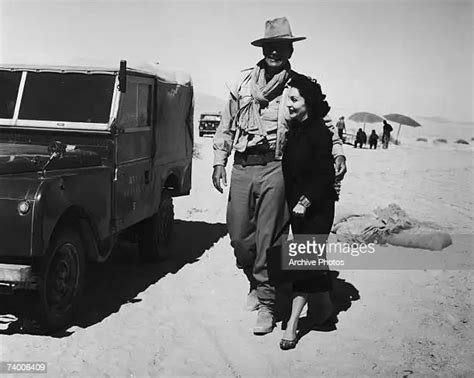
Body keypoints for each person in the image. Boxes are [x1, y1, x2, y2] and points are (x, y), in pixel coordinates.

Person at [212, 17, 347, 335]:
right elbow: (226, 125)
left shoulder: (299, 86)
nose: (275, 52)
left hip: (276, 167)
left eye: (281, 47)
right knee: (239, 238)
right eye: (269, 46)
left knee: (268, 240)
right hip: (242, 166)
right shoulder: (243, 83)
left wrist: (338, 151)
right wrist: (219, 160)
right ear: (263, 48)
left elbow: (324, 121)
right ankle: (256, 282)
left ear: (290, 50)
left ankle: (269, 306)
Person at [280, 73, 338, 350]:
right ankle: (325, 311)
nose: (288, 105)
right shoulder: (296, 130)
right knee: (312, 260)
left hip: (316, 209)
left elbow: (326, 175)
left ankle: (292, 325)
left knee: (303, 261)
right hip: (298, 210)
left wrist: (305, 201)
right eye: (287, 99)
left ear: (308, 102)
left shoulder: (319, 132)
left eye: (294, 99)